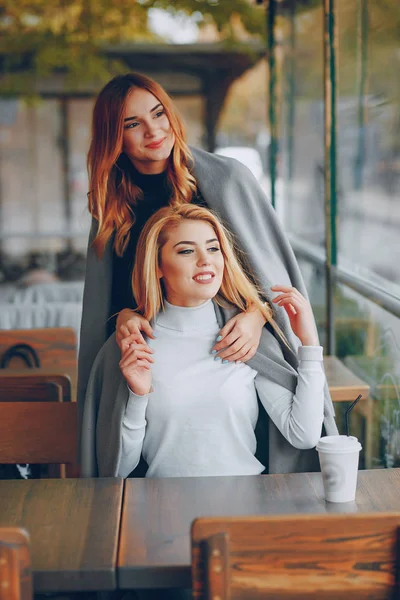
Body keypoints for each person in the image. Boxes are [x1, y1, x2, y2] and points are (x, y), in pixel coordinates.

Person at [79, 72, 337, 476]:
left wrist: (255, 315)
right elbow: (110, 304)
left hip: (234, 341)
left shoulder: (227, 180)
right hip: (155, 343)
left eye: (158, 113)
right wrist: (124, 318)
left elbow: (269, 275)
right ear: (115, 136)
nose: (153, 130)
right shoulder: (111, 208)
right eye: (133, 124)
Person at [116, 204, 327, 478]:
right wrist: (137, 395)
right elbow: (119, 468)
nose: (206, 260)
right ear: (157, 266)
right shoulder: (135, 344)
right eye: (187, 251)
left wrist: (309, 343)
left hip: (244, 504)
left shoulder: (245, 338)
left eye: (214, 248)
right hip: (164, 506)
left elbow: (304, 435)